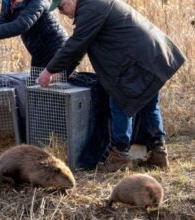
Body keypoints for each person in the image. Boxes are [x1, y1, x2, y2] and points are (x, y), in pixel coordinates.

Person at [39, 0, 185, 172]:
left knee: (120, 102)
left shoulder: (91, 7)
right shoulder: (93, 6)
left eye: (61, 7)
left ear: (70, 0)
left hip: (138, 61)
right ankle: (159, 153)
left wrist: (48, 71)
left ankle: (120, 156)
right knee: (149, 105)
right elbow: (81, 47)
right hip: (151, 56)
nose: (61, 12)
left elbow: (76, 43)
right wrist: (64, 74)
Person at [0, 0, 68, 69]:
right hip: (38, 53)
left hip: (56, 50)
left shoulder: (38, 1)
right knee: (36, 90)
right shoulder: (8, 2)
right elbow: (3, 25)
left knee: (53, 91)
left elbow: (21, 25)